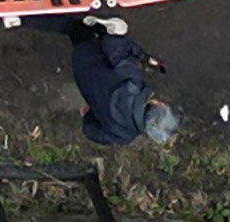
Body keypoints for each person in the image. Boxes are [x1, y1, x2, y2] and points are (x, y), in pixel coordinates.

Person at [63, 12, 180, 149]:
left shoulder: (132, 83)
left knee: (83, 28)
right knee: (76, 34)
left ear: (155, 103)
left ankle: (95, 25)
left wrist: (141, 55)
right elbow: (90, 132)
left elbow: (113, 47)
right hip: (82, 74)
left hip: (89, 54)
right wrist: (89, 114)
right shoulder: (123, 136)